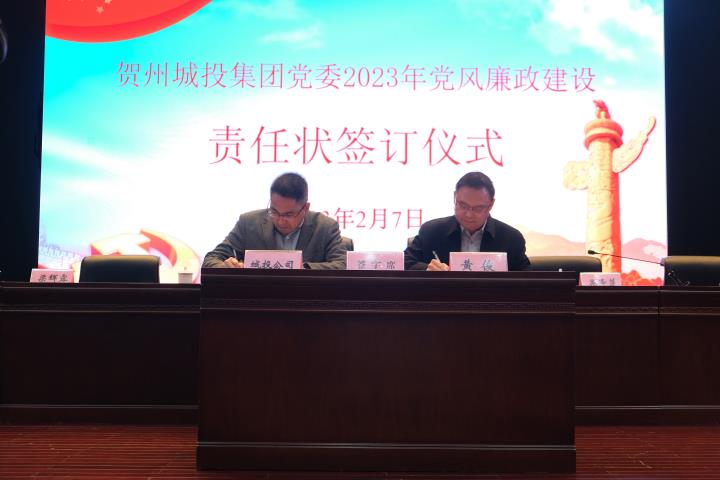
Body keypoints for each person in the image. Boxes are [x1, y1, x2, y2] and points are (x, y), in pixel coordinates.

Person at [203, 172, 346, 270]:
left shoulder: (325, 227)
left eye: (289, 215)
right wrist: (227, 267)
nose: (280, 221)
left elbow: (343, 265)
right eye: (274, 212)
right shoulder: (249, 223)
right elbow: (211, 259)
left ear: (305, 208)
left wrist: (299, 268)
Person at [404, 171, 530, 271]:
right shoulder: (431, 231)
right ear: (455, 197)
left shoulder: (511, 238)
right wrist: (427, 269)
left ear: (491, 205)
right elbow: (405, 262)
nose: (469, 214)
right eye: (463, 205)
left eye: (478, 208)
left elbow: (526, 281)